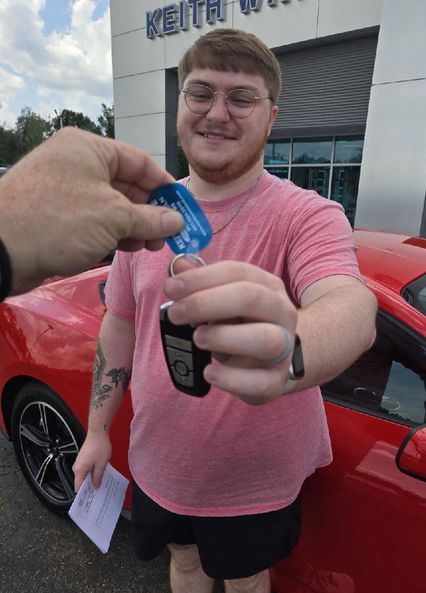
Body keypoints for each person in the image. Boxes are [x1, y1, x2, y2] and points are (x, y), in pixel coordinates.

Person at [73, 29, 377, 593]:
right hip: (159, 462)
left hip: (254, 480)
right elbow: (119, 321)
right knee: (184, 564)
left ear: (270, 117)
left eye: (241, 98)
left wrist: (294, 348)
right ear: (180, 108)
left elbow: (349, 303)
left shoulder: (307, 215)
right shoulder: (146, 214)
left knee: (244, 580)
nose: (218, 112)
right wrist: (97, 431)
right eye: (201, 92)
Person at [0, 127, 184, 298]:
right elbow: (117, 326)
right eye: (200, 95)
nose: (214, 116)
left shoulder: (130, 209)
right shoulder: (130, 210)